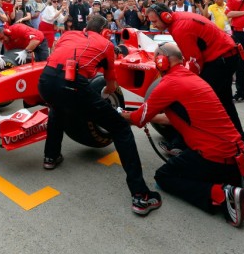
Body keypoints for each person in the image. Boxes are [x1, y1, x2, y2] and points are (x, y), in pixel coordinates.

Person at [121, 43, 244, 228]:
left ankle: (220, 194)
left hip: (213, 156)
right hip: (234, 153)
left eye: (156, 59)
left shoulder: (169, 84)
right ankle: (243, 179)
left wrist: (119, 115)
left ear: (162, 60)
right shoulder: (193, 79)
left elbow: (139, 118)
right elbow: (176, 118)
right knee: (191, 161)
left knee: (164, 176)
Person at [38, 14, 161, 215]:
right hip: (73, 84)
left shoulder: (69, 34)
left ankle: (50, 157)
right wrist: (104, 96)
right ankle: (141, 196)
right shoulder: (106, 45)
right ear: (105, 32)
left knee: (57, 108)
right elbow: (111, 85)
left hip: (45, 81)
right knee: (121, 128)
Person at [146, 4, 244, 144]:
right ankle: (239, 139)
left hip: (220, 60)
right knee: (224, 101)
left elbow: (195, 62)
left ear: (166, 16)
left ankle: (182, 144)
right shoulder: (179, 20)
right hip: (227, 56)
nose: (153, 25)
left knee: (195, 101)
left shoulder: (180, 28)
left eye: (155, 21)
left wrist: (185, 83)